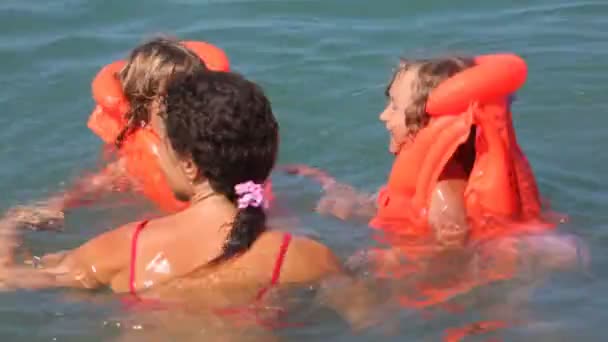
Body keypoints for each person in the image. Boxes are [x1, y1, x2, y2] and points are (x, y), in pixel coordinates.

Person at [0, 70, 377, 331]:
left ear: (189, 165)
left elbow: (9, 279)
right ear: (270, 152)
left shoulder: (126, 250)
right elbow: (369, 322)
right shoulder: (300, 258)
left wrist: (10, 225)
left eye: (161, 147)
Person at [8, 37, 232, 228]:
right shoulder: (140, 151)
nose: (188, 104)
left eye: (196, 93)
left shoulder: (219, 132)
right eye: (174, 99)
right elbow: (104, 180)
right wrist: (58, 205)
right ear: (142, 108)